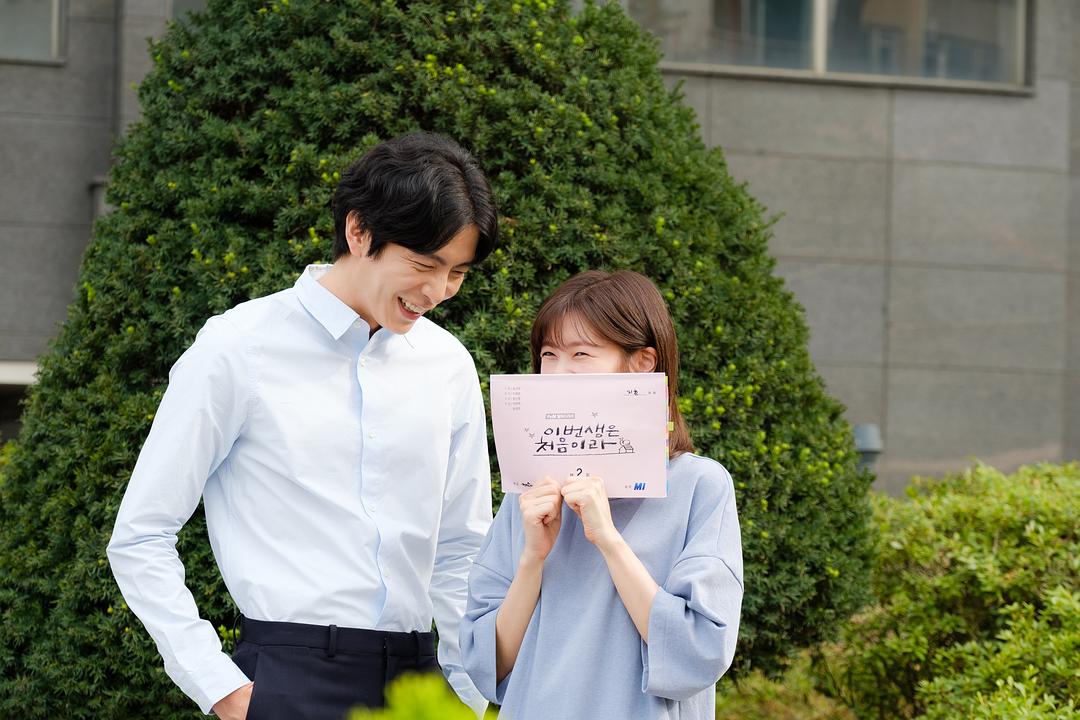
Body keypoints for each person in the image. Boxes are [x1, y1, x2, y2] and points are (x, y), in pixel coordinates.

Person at [108, 132, 498, 719]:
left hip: (423, 681)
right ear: (359, 231)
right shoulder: (238, 347)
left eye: (457, 273)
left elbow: (462, 548)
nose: (437, 292)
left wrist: (472, 699)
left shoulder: (448, 364)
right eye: (424, 265)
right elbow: (141, 535)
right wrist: (222, 688)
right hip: (289, 680)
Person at [460, 270, 743, 719]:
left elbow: (698, 651)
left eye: (581, 354)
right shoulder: (530, 492)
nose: (558, 373)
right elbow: (486, 664)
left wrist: (608, 540)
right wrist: (532, 559)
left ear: (642, 363)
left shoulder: (700, 487)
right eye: (549, 354)